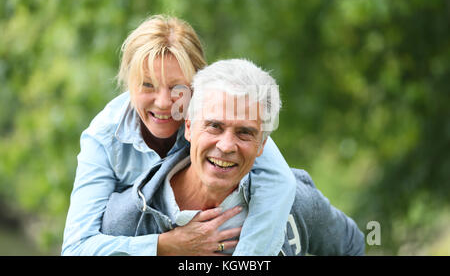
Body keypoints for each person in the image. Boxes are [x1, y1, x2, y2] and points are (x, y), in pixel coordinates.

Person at [61, 15, 297, 255]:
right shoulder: (103, 136)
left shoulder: (221, 117)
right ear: (129, 85)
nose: (163, 103)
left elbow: (281, 181)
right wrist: (164, 246)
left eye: (177, 88)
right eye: (148, 85)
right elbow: (75, 248)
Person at [101, 59, 366, 255]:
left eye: (245, 133)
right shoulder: (128, 219)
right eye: (215, 126)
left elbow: (352, 244)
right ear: (189, 126)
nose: (227, 146)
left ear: (262, 144)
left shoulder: (296, 202)